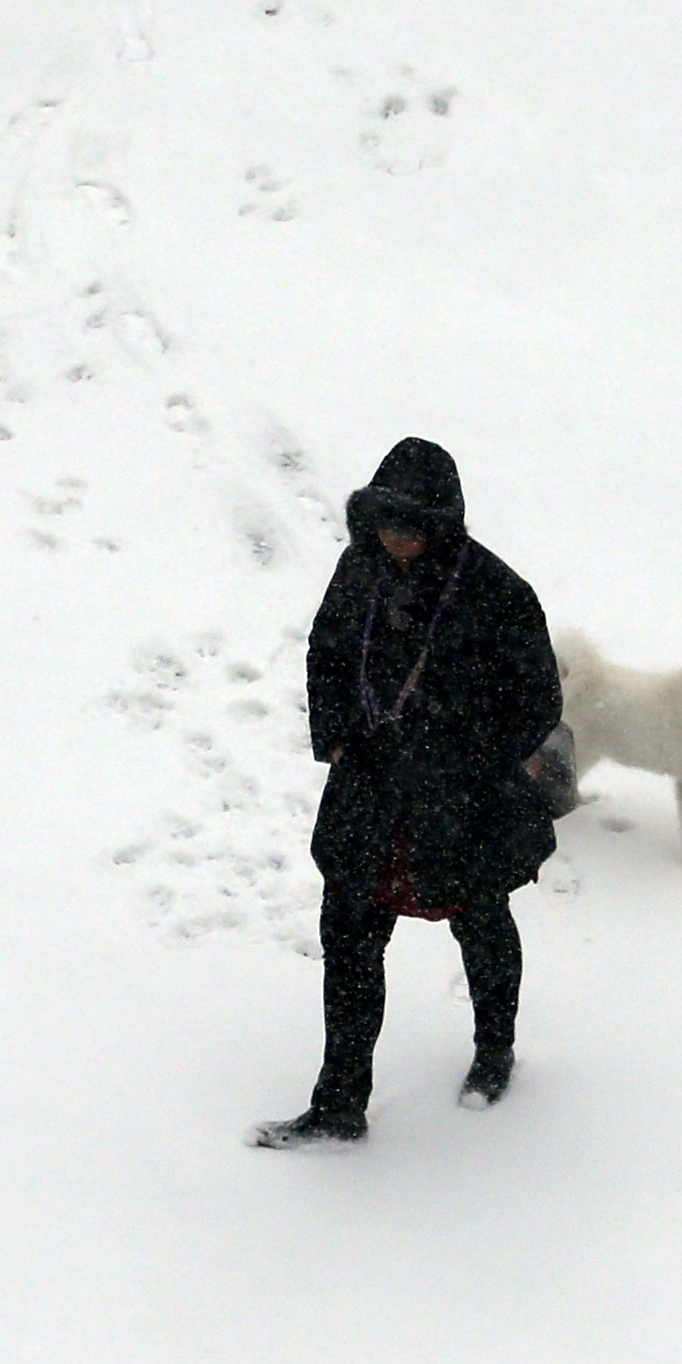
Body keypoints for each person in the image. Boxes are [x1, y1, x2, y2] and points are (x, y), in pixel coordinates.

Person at [253, 437, 561, 1147]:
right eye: (387, 521)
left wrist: (470, 762)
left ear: (443, 523)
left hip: (463, 803)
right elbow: (328, 649)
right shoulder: (359, 568)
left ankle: (494, 1051)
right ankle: (339, 1105)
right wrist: (334, 733)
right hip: (371, 791)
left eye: (412, 524)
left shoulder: (497, 591)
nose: (397, 537)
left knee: (480, 924)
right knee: (350, 943)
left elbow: (538, 700)